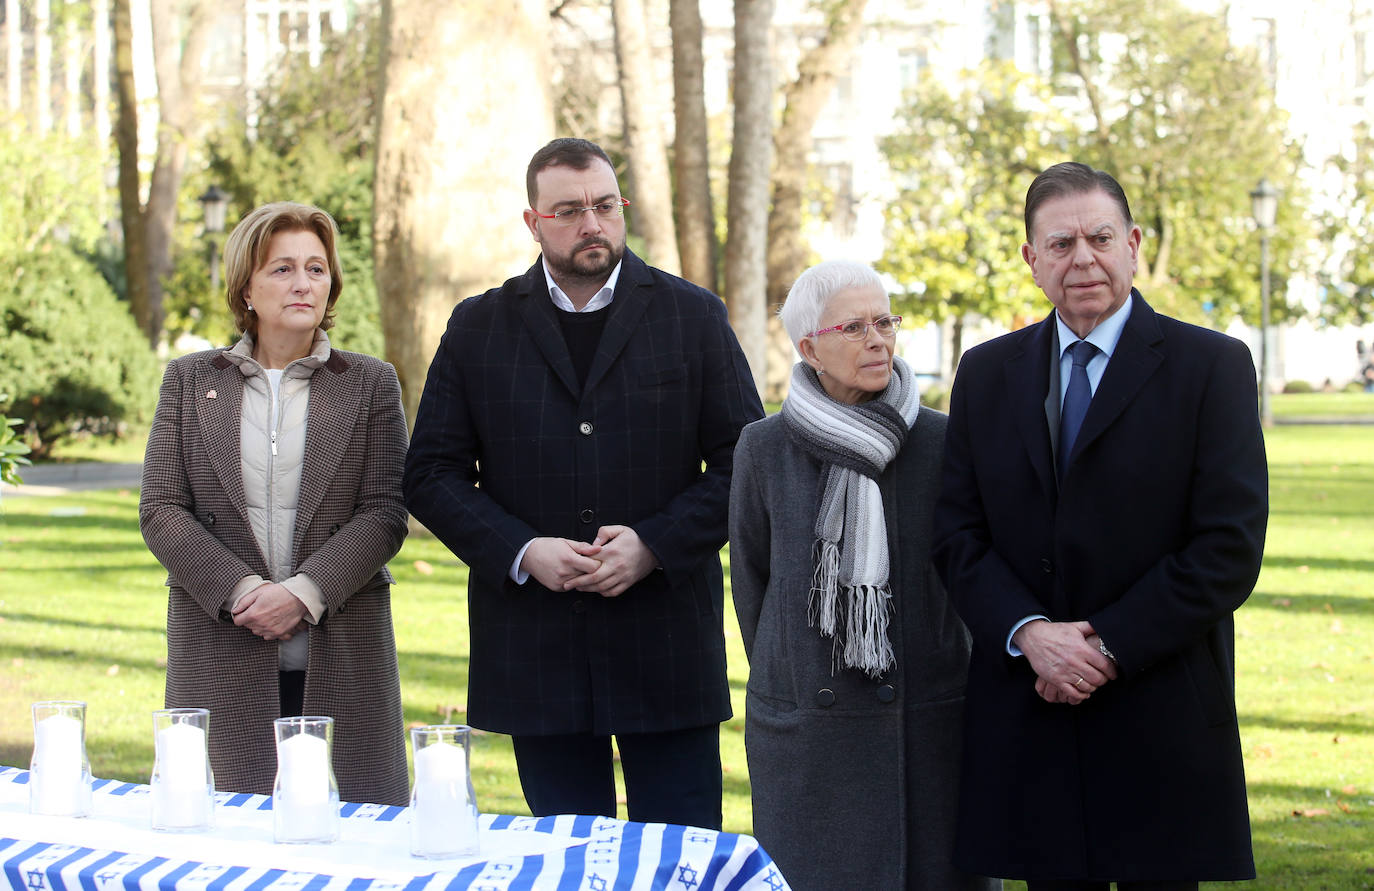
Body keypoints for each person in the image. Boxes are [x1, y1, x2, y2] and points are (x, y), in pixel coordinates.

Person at [403, 137, 763, 829]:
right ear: (533, 223)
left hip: (666, 642)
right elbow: (430, 474)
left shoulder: (692, 317)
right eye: (569, 210)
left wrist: (655, 544)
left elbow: (745, 464)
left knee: (679, 855)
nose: (592, 223)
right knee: (566, 857)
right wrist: (521, 549)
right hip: (537, 645)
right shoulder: (479, 326)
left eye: (604, 205)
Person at [932, 162, 1268, 889]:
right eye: (1059, 244)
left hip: (1159, 708)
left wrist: (1107, 644)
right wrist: (1031, 633)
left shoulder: (1211, 367)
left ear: (1134, 244)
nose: (1081, 257)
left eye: (1099, 237)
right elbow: (957, 535)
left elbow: (1228, 546)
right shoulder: (986, 374)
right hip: (1031, 711)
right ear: (1031, 260)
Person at [728, 261, 998, 890]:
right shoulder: (763, 448)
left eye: (885, 321)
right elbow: (753, 583)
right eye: (854, 326)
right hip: (810, 732)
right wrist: (793, 669)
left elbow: (974, 571)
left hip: (932, 722)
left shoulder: (945, 441)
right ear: (809, 348)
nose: (878, 339)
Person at [140, 201, 410, 805]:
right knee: (226, 841)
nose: (303, 283)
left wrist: (301, 595)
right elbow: (161, 507)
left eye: (316, 269)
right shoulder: (188, 381)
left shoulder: (369, 383)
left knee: (352, 840)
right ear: (246, 286)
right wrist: (244, 594)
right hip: (222, 647)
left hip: (341, 649)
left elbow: (385, 511)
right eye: (282, 268)